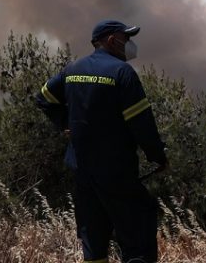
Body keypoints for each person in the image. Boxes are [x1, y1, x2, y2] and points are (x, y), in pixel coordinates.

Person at [35, 20, 168, 263]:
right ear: (110, 40)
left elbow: (43, 97)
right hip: (116, 170)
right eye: (125, 39)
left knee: (93, 239)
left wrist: (65, 123)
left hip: (82, 169)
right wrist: (158, 156)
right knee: (137, 234)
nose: (129, 45)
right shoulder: (122, 72)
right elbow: (141, 123)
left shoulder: (73, 68)